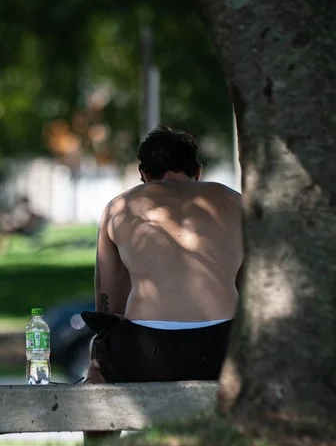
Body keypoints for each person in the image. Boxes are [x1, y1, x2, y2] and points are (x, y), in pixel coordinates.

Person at [83, 125, 243, 384]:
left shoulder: (118, 208)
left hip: (148, 352)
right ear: (198, 172)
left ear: (143, 174)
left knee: (98, 353)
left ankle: (100, 421)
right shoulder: (235, 201)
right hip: (224, 348)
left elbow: (108, 306)